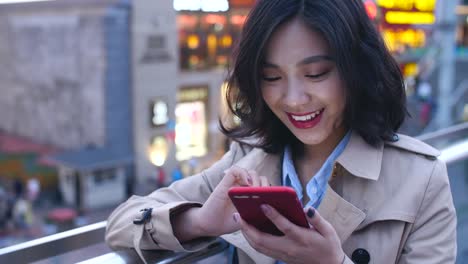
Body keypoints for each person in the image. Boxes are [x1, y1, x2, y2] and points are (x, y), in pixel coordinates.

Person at [105, 0, 457, 263]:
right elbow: (120, 224)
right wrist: (198, 221)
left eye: (316, 73)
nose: (293, 99)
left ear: (356, 70)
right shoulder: (249, 161)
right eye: (271, 77)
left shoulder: (421, 179)